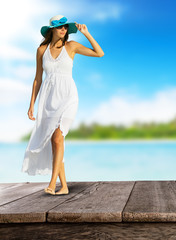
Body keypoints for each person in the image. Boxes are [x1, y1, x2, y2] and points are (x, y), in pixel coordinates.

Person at [21, 15, 104, 195]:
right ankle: (64, 186)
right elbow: (37, 79)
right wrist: (31, 105)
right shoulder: (42, 50)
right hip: (48, 100)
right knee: (54, 141)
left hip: (68, 97)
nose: (63, 29)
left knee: (58, 137)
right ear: (52, 29)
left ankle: (52, 184)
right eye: (59, 27)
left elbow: (99, 53)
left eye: (65, 27)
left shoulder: (71, 46)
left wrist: (87, 33)